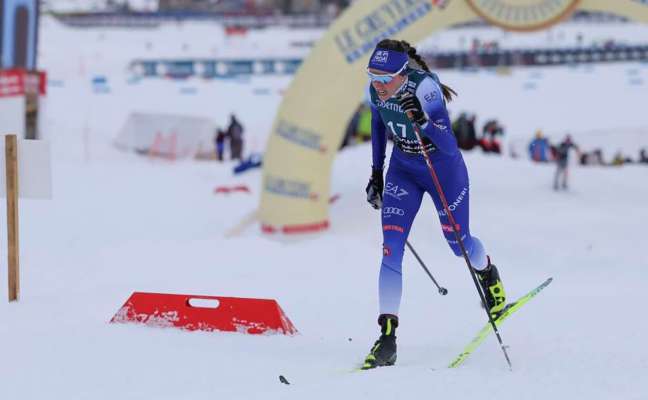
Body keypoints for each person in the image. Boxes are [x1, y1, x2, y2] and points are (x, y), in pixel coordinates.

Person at [362, 39, 506, 370]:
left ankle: (488, 273)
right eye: (373, 77)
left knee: (459, 244)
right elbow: (378, 126)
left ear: (403, 74)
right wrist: (376, 174)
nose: (379, 86)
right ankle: (387, 338)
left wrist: (423, 122)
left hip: (441, 168)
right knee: (391, 248)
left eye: (385, 79)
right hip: (404, 170)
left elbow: (450, 146)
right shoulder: (376, 90)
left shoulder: (426, 88)